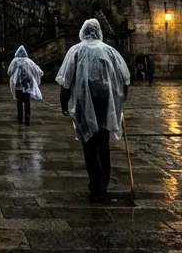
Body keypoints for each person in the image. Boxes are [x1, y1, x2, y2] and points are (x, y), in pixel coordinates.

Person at [56, 19, 131, 202]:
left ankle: (95, 183)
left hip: (84, 104)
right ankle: (102, 183)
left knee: (89, 144)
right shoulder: (110, 52)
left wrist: (63, 103)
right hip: (106, 104)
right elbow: (125, 78)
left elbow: (65, 82)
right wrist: (121, 101)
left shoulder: (76, 51)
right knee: (103, 144)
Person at [7, 45, 43, 125]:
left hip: (18, 84)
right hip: (27, 84)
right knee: (27, 101)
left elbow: (9, 72)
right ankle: (27, 118)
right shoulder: (29, 61)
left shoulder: (14, 61)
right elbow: (37, 70)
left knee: (19, 101)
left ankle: (20, 118)